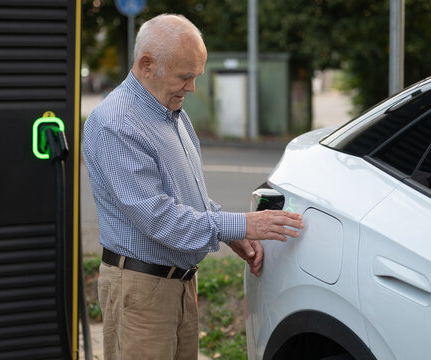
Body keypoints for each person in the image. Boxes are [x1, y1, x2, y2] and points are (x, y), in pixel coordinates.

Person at [82, 14, 304, 360]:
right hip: (141, 291)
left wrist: (230, 234)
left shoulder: (173, 113)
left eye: (195, 76)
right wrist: (242, 223)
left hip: (178, 284)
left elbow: (187, 198)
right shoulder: (116, 124)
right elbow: (160, 218)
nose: (192, 88)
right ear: (146, 65)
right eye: (185, 76)